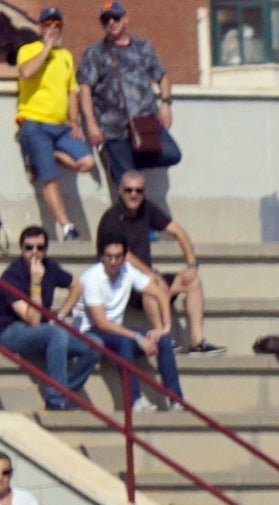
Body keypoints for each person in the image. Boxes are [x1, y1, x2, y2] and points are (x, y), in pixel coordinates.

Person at [95, 170, 221, 356]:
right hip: (122, 284)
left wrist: (192, 264)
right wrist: (150, 274)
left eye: (139, 190)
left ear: (144, 192)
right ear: (120, 191)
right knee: (151, 286)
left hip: (146, 278)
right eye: (129, 190)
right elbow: (124, 255)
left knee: (192, 280)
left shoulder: (147, 209)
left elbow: (178, 231)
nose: (134, 194)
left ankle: (197, 342)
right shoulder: (112, 218)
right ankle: (163, 339)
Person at [13, 7, 96, 241]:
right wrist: (47, 47)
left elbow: (72, 91)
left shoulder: (66, 56)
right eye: (48, 24)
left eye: (57, 24)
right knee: (50, 178)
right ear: (40, 27)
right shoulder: (28, 50)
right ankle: (67, 227)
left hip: (60, 127)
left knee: (87, 162)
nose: (52, 28)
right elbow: (27, 72)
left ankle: (49, 155)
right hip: (34, 123)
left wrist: (74, 121)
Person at [75, 0, 179, 184]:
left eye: (115, 18)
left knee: (172, 153)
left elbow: (162, 76)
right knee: (127, 182)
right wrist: (91, 124)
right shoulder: (95, 53)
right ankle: (122, 169)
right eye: (106, 20)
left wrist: (165, 105)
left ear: (125, 19)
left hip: (145, 124)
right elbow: (84, 89)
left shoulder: (143, 47)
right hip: (113, 129)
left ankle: (125, 165)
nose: (111, 22)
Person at [0, 224, 97, 409]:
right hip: (11, 330)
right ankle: (57, 399)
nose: (34, 252)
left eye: (40, 247)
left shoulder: (50, 267)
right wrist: (36, 282)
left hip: (41, 329)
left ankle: (65, 390)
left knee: (94, 345)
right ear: (21, 249)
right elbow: (33, 320)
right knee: (56, 333)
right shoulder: (11, 275)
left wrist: (60, 316)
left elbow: (77, 286)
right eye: (29, 247)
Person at [80, 237, 181, 409]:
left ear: (124, 257)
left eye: (118, 256)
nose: (113, 262)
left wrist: (165, 327)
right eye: (109, 256)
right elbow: (102, 323)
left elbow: (161, 293)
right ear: (102, 257)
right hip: (90, 331)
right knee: (124, 341)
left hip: (116, 330)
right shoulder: (91, 278)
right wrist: (138, 337)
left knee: (163, 341)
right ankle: (134, 400)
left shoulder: (128, 271)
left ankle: (176, 400)